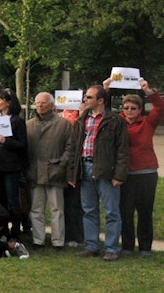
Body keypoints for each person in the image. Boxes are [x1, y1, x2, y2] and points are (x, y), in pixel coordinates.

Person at [68, 84, 130, 260]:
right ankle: (92, 246)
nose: (85, 100)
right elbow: (74, 148)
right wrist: (72, 173)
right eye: (85, 97)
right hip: (85, 168)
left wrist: (119, 174)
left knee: (111, 211)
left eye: (89, 97)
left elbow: (123, 150)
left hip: (106, 171)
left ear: (101, 100)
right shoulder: (83, 119)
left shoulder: (115, 120)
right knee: (89, 210)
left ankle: (111, 248)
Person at [109, 77, 162, 256]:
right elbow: (104, 110)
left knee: (145, 210)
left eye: (133, 108)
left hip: (146, 173)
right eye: (126, 108)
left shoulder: (148, 122)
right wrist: (106, 89)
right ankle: (128, 246)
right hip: (125, 173)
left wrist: (148, 91)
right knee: (126, 211)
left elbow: (160, 107)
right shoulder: (117, 122)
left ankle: (145, 247)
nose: (129, 111)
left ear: (140, 110)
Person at [26, 91, 72, 250]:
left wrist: (61, 164)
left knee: (57, 209)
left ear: (53, 105)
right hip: (35, 172)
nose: (40, 105)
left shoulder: (64, 124)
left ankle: (58, 241)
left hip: (55, 172)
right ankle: (38, 240)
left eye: (43, 102)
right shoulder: (29, 124)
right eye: (37, 102)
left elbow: (70, 147)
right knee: (36, 209)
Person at [0, 88, 27, 239]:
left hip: (11, 166)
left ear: (8, 102)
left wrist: (6, 141)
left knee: (12, 200)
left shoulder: (17, 121)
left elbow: (23, 145)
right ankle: (1, 230)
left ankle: (16, 232)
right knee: (0, 199)